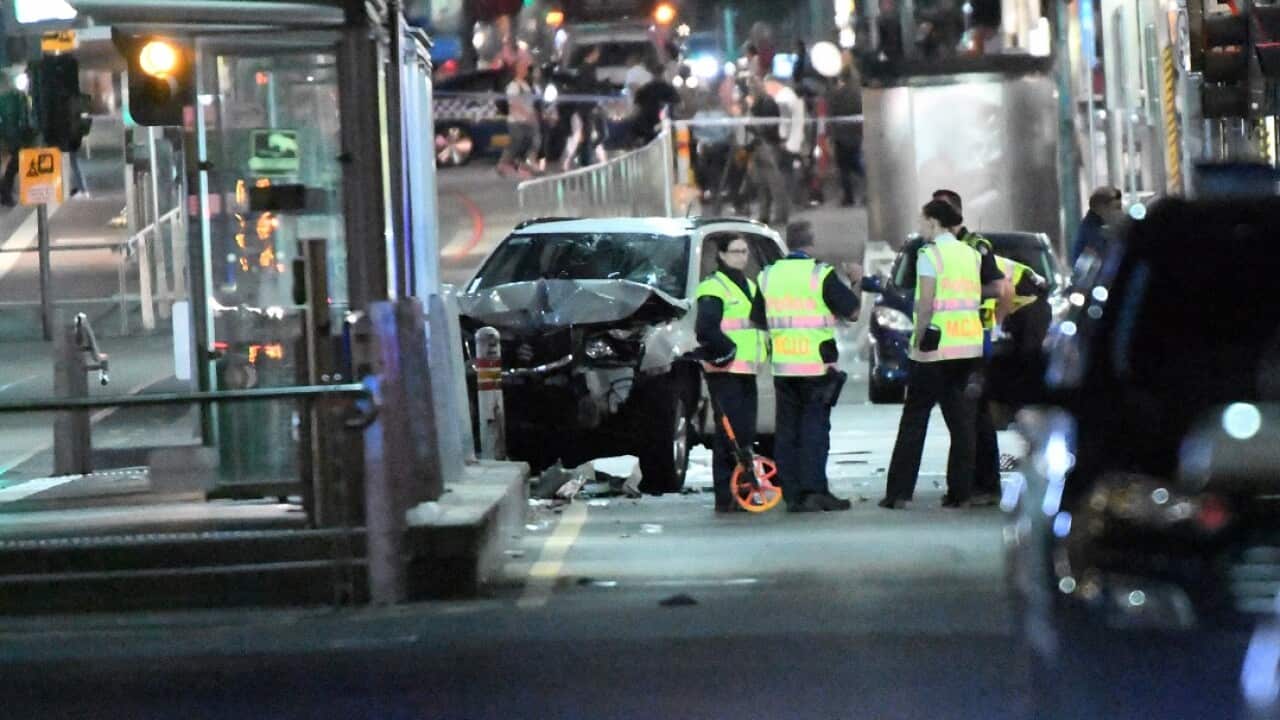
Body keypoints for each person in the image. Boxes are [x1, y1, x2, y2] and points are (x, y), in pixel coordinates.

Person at [880, 199, 991, 509]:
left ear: (933, 222)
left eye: (922, 221)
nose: (919, 226)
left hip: (935, 348)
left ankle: (899, 493)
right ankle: (960, 493)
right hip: (968, 346)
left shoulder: (930, 255)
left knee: (915, 418)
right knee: (962, 422)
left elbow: (926, 302)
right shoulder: (971, 254)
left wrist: (917, 338)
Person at [760, 221, 862, 512]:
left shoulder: (768, 276)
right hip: (815, 368)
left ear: (788, 242)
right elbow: (852, 312)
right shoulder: (820, 274)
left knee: (787, 431)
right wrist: (856, 281)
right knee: (814, 429)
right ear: (811, 243)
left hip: (783, 366)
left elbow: (758, 318)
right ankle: (815, 490)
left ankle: (792, 494)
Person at [931, 188, 1007, 504]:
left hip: (975, 339)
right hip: (953, 340)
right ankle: (978, 483)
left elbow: (1000, 287)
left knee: (974, 417)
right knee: (969, 418)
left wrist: (969, 294)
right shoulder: (940, 247)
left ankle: (982, 484)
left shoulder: (976, 247)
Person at [695, 234, 768, 513]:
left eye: (745, 252)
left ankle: (742, 491)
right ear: (722, 255)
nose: (742, 257)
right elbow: (706, 329)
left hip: (746, 371)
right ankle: (726, 496)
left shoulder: (748, 285)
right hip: (725, 371)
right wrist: (729, 350)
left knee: (744, 435)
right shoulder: (713, 287)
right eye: (736, 252)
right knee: (729, 435)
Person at [746, 77, 789, 225]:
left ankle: (781, 214)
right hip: (759, 145)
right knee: (762, 183)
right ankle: (764, 214)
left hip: (768, 145)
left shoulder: (767, 103)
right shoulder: (758, 104)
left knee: (774, 183)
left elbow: (768, 126)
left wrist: (753, 126)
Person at [825, 67, 864, 207]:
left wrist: (830, 134)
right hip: (855, 135)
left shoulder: (836, 94)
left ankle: (848, 197)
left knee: (844, 169)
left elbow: (831, 114)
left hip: (841, 136)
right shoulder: (857, 93)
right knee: (857, 164)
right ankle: (868, 192)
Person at [498, 53, 539, 178]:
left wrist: (532, 114)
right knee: (516, 142)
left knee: (533, 141)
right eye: (523, 67)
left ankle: (526, 163)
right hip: (517, 121)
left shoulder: (526, 85)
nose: (526, 70)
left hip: (528, 119)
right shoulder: (513, 86)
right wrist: (526, 114)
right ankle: (503, 165)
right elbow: (513, 104)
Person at [1070, 186, 1123, 268]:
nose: (1119, 212)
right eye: (1116, 208)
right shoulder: (1091, 233)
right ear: (1101, 208)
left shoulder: (1115, 227)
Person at [0, 74, 31, 207]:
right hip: (14, 136)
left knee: (11, 164)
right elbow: (25, 118)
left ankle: (5, 192)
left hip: (9, 135)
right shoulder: (18, 97)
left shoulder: (16, 97)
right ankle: (5, 192)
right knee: (13, 164)